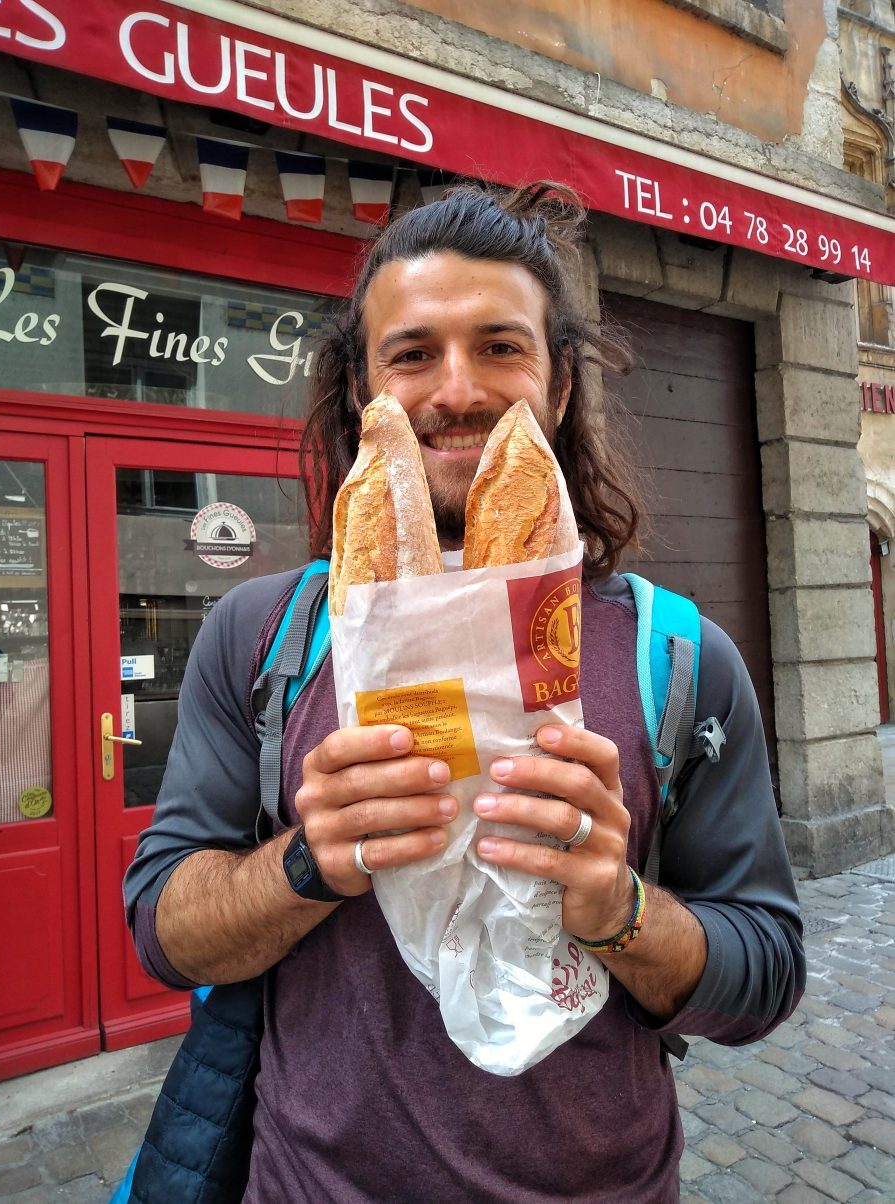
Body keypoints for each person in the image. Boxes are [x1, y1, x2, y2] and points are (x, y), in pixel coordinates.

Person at [125, 182, 805, 1202]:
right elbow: (163, 930)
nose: (456, 389)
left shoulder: (681, 655)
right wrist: (311, 861)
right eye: (412, 353)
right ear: (364, 391)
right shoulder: (263, 635)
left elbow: (764, 975)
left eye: (500, 347)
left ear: (560, 386)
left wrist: (614, 906)